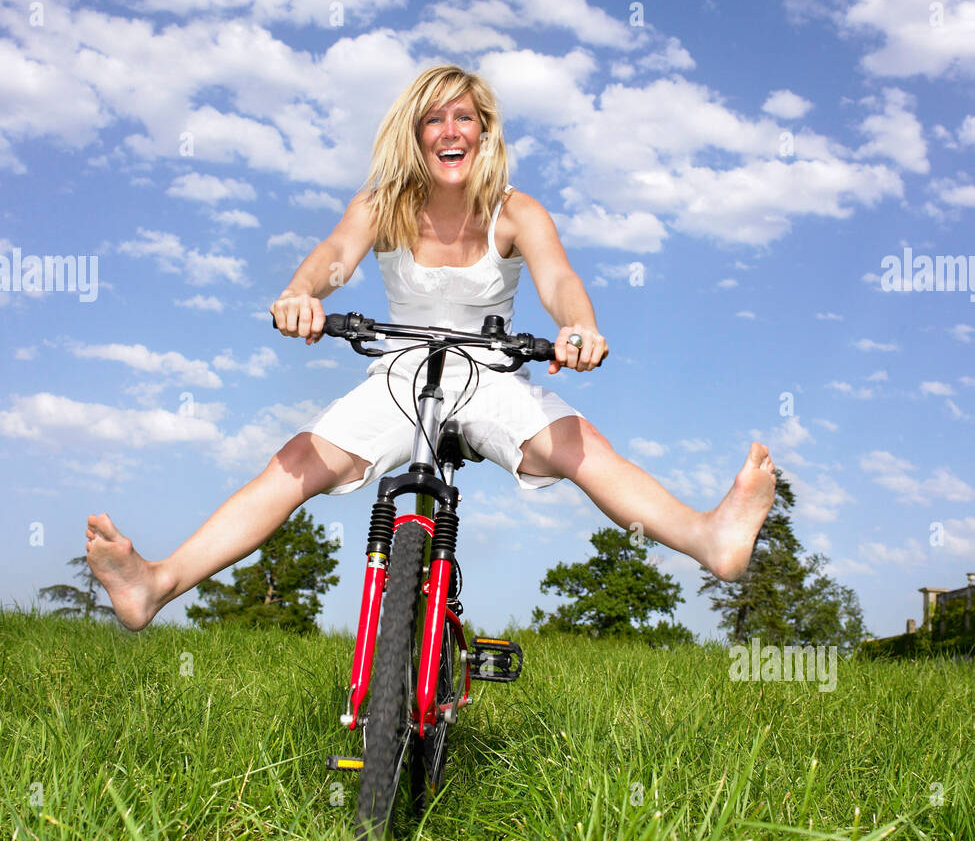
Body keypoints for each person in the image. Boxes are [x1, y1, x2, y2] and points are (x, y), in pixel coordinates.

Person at [86, 63, 776, 631]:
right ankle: (156, 583)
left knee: (579, 445)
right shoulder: (381, 203)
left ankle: (708, 539)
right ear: (416, 135)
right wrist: (303, 295)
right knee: (296, 462)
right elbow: (332, 256)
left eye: (463, 117)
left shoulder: (516, 210)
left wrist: (578, 328)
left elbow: (559, 279)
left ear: (483, 131)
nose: (450, 130)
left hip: (487, 374)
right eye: (433, 119)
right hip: (400, 370)